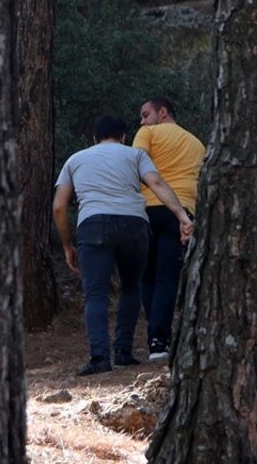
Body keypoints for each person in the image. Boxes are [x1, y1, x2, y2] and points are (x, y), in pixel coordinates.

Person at [53, 114, 193, 376]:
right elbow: (157, 183)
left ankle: (99, 357)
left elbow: (59, 205)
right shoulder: (135, 156)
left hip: (93, 226)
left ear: (94, 138)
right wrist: (182, 216)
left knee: (96, 295)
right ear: (124, 137)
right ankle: (124, 352)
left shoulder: (75, 159)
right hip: (134, 225)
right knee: (131, 286)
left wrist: (66, 244)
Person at [133, 96, 206, 361]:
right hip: (182, 213)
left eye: (145, 114)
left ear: (162, 112)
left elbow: (136, 165)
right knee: (167, 277)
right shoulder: (197, 143)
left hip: (148, 209)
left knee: (147, 276)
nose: (141, 121)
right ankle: (158, 342)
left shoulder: (147, 133)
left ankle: (155, 338)